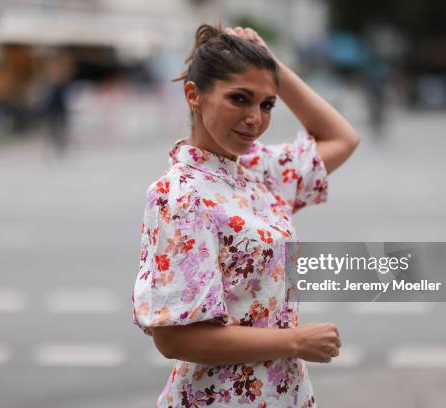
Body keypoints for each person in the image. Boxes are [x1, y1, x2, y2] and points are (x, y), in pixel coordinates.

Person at [132, 23, 360, 407]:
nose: (255, 118)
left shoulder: (257, 171)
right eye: (239, 99)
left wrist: (273, 65)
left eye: (266, 104)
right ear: (194, 96)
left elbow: (342, 138)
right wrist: (293, 340)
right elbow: (172, 338)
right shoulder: (180, 194)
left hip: (281, 394)